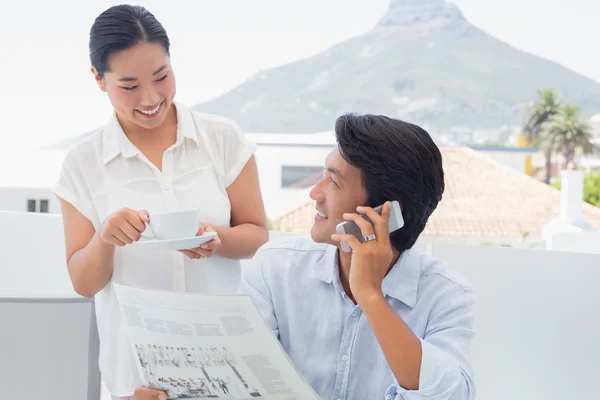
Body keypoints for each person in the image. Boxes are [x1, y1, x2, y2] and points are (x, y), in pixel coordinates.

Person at [134, 114, 476, 400]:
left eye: (334, 181)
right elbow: (239, 382)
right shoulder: (277, 268)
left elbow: (449, 393)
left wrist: (371, 296)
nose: (314, 193)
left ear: (384, 213)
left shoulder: (445, 297)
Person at [53, 4, 268, 400]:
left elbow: (256, 235)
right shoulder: (83, 164)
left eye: (162, 77)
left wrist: (214, 237)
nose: (150, 98)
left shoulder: (221, 138)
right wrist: (105, 238)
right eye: (129, 86)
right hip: (136, 374)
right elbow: (84, 282)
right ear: (99, 80)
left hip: (223, 365)